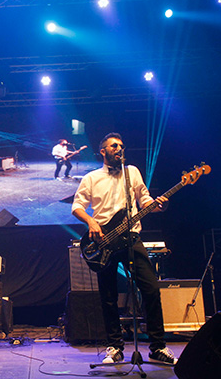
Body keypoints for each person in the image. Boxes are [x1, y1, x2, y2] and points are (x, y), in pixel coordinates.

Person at [71, 132, 177, 365]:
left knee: (151, 289)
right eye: (113, 145)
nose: (119, 148)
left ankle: (158, 346)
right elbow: (77, 206)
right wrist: (91, 222)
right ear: (103, 151)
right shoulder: (91, 177)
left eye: (121, 145)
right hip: (103, 241)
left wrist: (159, 205)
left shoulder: (132, 172)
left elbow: (145, 200)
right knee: (108, 297)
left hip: (132, 238)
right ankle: (115, 347)